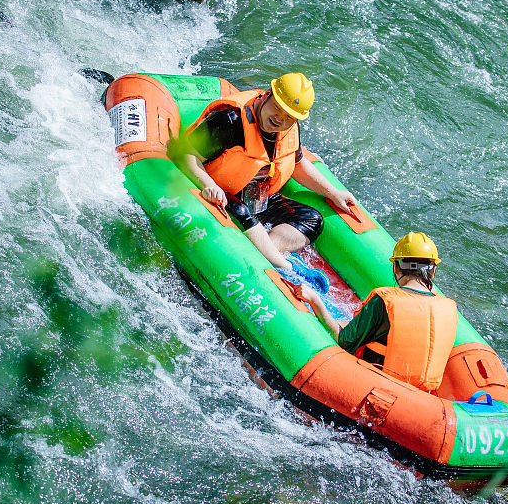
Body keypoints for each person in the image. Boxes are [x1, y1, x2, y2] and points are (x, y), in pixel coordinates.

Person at [176, 72, 356, 274]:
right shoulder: (230, 121)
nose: (279, 119)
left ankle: (262, 253)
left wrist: (332, 192)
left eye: (289, 116)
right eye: (277, 108)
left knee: (312, 219)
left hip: (259, 196)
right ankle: (282, 265)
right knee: (241, 212)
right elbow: (187, 154)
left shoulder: (289, 128)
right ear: (268, 94)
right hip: (224, 194)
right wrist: (208, 184)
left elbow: (296, 163)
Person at [297, 232, 459, 392]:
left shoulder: (385, 300)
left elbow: (344, 341)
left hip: (375, 389)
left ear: (396, 267)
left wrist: (316, 301)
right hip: (422, 398)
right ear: (432, 271)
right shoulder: (448, 307)